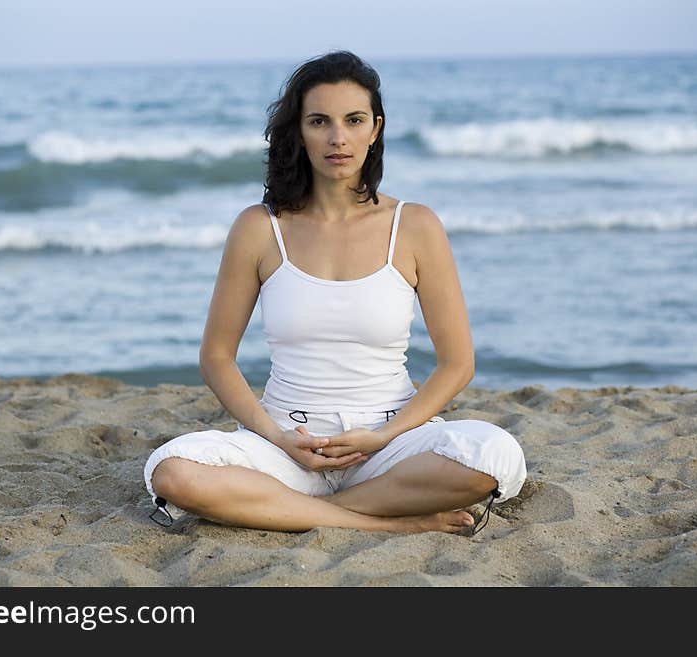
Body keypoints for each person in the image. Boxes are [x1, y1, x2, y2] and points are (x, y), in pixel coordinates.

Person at [144, 50, 526, 535]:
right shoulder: (260, 228)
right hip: (288, 444)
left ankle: (292, 510)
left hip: (390, 444)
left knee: (497, 456)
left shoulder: (415, 225)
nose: (338, 137)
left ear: (376, 128)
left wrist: (384, 435)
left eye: (354, 120)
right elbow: (217, 357)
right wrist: (277, 437)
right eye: (319, 121)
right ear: (299, 132)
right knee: (171, 472)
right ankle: (388, 524)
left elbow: (458, 364)